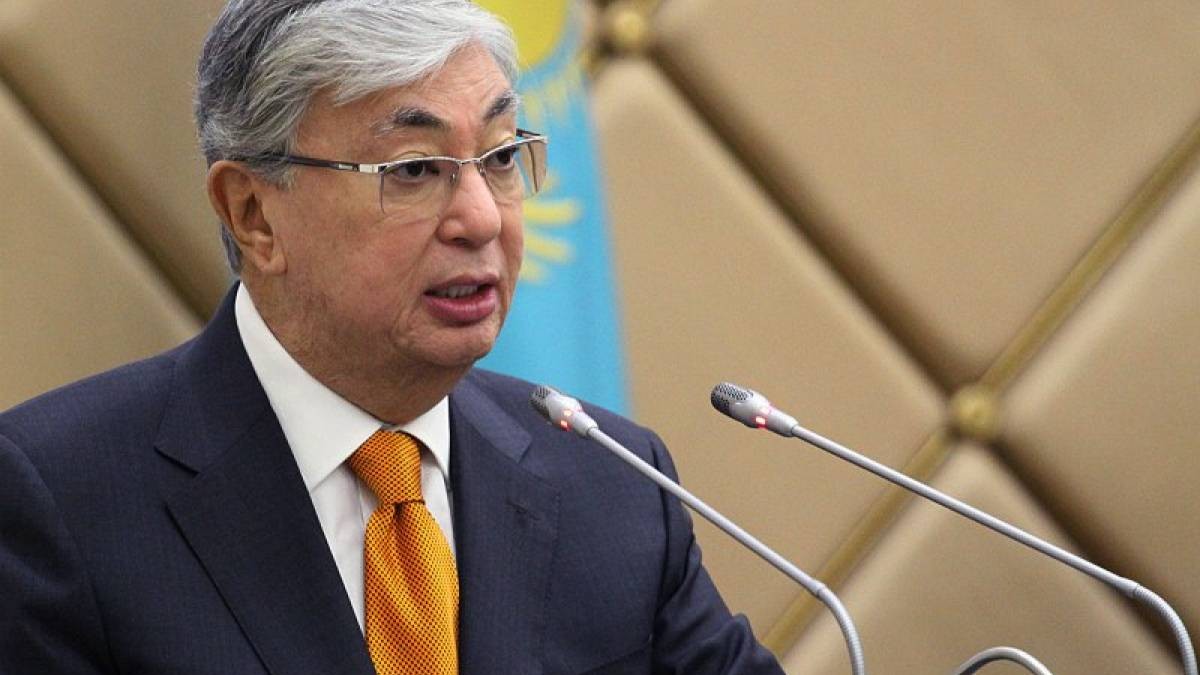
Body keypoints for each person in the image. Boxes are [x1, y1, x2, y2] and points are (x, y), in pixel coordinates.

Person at [0, 1, 785, 673]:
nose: (481, 218)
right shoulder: (58, 500)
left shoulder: (613, 483)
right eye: (413, 170)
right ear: (253, 213)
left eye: (500, 156)